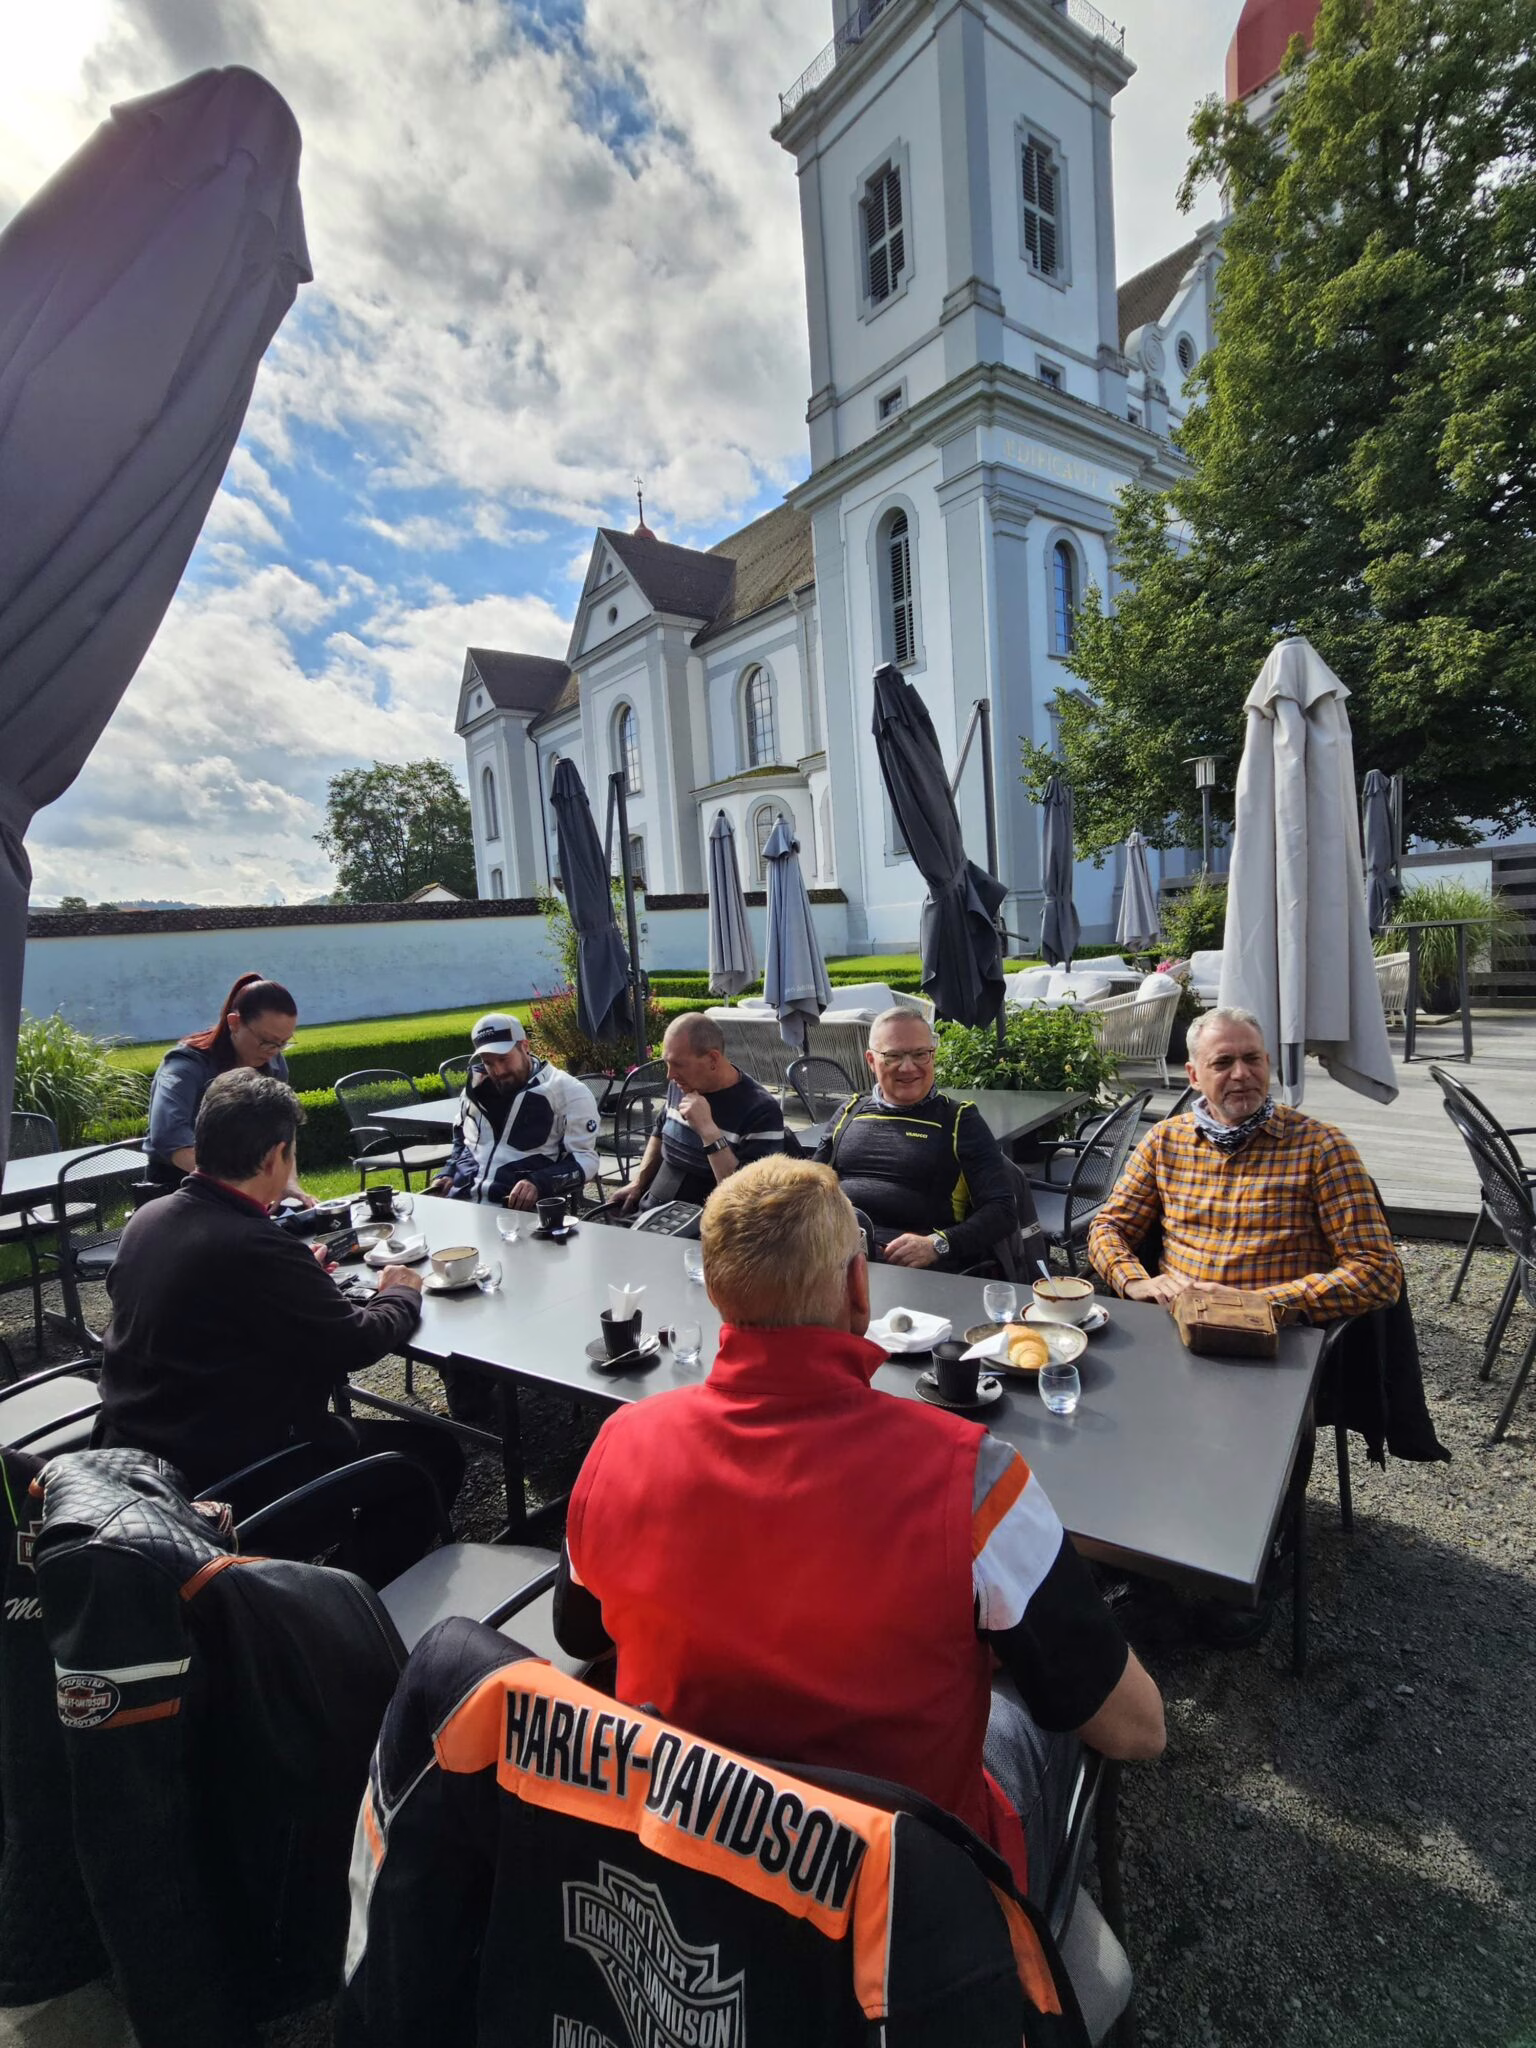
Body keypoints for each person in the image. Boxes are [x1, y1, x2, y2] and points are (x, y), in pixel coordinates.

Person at [553, 1156, 1164, 1899]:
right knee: (1040, 1706)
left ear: (714, 1291)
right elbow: (1135, 1729)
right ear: (858, 1287)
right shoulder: (973, 1480)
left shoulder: (618, 1443)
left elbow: (582, 1636)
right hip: (905, 1898)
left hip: (688, 1856)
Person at [99, 1068, 463, 1585]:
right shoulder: (254, 1246)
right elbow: (357, 1341)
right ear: (275, 1157)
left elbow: (206, 1303)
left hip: (135, 1451)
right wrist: (401, 1290)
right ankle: (333, 1606)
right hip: (229, 1476)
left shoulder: (149, 1219)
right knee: (434, 1456)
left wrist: (297, 1278)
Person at [1087, 1006, 1402, 1322]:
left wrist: (1258, 1303)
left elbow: (1378, 1272)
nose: (1241, 1073)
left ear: (1266, 1062)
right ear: (1194, 1076)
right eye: (1223, 1062)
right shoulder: (1165, 1141)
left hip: (1273, 1334)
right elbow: (1108, 1227)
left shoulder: (1320, 1147)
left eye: (1252, 1059)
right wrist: (1135, 1281)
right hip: (1175, 1323)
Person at [813, 1005, 1029, 1272]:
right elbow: (807, 1188)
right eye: (893, 1056)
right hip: (836, 1260)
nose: (908, 1067)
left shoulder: (960, 1120)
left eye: (920, 1054)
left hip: (917, 1272)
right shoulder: (849, 1111)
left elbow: (1003, 1211)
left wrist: (937, 1245)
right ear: (871, 1060)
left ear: (932, 1055)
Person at [146, 971, 312, 1204]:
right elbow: (169, 1135)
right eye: (266, 1041)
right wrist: (237, 1188)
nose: (273, 1051)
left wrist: (287, 1183)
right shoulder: (185, 1066)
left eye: (282, 1043)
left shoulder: (274, 1065)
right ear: (234, 1023)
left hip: (244, 1187)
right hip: (179, 1189)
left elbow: (282, 1130)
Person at [607, 1012, 790, 1216]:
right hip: (653, 1209)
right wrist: (638, 1183)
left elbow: (748, 1200)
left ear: (712, 1059)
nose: (670, 1075)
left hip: (710, 1222)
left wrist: (708, 1131)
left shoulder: (761, 1111)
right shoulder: (682, 1084)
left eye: (678, 1064)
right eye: (667, 1063)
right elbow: (660, 1131)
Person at [429, 1013, 601, 1209]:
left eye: (504, 1059)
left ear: (525, 1046)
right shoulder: (474, 1090)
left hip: (517, 1212)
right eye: (488, 1062)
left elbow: (586, 1160)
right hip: (462, 1207)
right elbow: (463, 1139)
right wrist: (449, 1172)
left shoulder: (568, 1092)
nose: (498, 1071)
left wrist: (540, 1183)